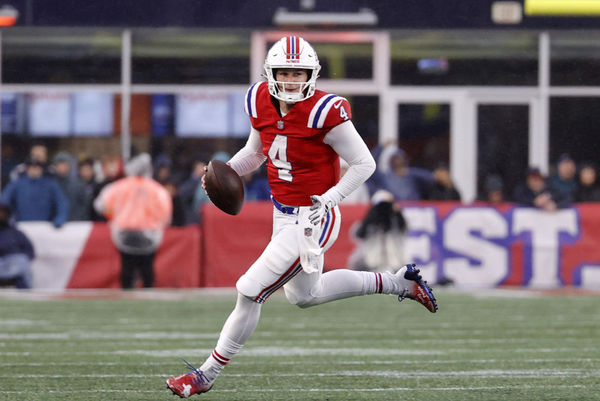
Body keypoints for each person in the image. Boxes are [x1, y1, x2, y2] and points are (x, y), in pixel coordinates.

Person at [166, 35, 438, 398]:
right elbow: (256, 151)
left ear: (311, 74)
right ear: (271, 73)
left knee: (249, 290)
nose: (292, 80)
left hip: (314, 217)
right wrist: (226, 171)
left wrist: (329, 199)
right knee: (305, 296)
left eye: (299, 73)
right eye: (285, 72)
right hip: (283, 215)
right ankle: (400, 283)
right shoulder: (259, 99)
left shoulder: (326, 111)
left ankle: (205, 374)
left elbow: (364, 163)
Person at [94, 153, 172, 289]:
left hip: (125, 232)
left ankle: (126, 293)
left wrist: (114, 217)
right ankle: (147, 291)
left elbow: (102, 205)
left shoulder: (120, 186)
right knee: (147, 266)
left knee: (127, 266)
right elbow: (165, 212)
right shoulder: (155, 188)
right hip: (149, 233)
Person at [347, 190, 407, 272]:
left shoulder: (395, 220)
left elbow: (404, 229)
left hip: (393, 263)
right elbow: (358, 234)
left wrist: (397, 214)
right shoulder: (369, 221)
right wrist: (370, 217)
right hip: (370, 263)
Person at [1, 157, 69, 228]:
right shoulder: (17, 183)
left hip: (45, 226)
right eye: (31, 168)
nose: (34, 170)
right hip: (21, 225)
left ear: (42, 169)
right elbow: (4, 199)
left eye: (37, 168)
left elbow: (61, 202)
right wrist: (8, 218)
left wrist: (60, 217)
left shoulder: (50, 184)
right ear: (27, 169)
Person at [0, 202, 35, 289]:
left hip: (13, 264)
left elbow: (30, 251)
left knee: (22, 261)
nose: (1, 215)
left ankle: (26, 294)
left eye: (3, 212)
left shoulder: (16, 233)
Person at [53, 152, 90, 221]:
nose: (62, 167)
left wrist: (79, 219)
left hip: (74, 223)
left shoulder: (78, 184)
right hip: (55, 224)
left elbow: (84, 205)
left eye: (64, 164)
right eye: (59, 164)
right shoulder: (51, 184)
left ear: (68, 165)